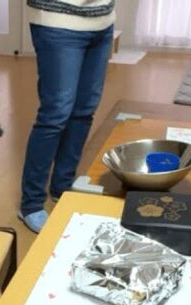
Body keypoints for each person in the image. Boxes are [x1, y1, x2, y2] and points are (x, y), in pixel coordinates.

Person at [18, 0, 115, 233]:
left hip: (102, 20)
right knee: (55, 114)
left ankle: (62, 187)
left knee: (84, 111)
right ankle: (30, 204)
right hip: (57, 21)